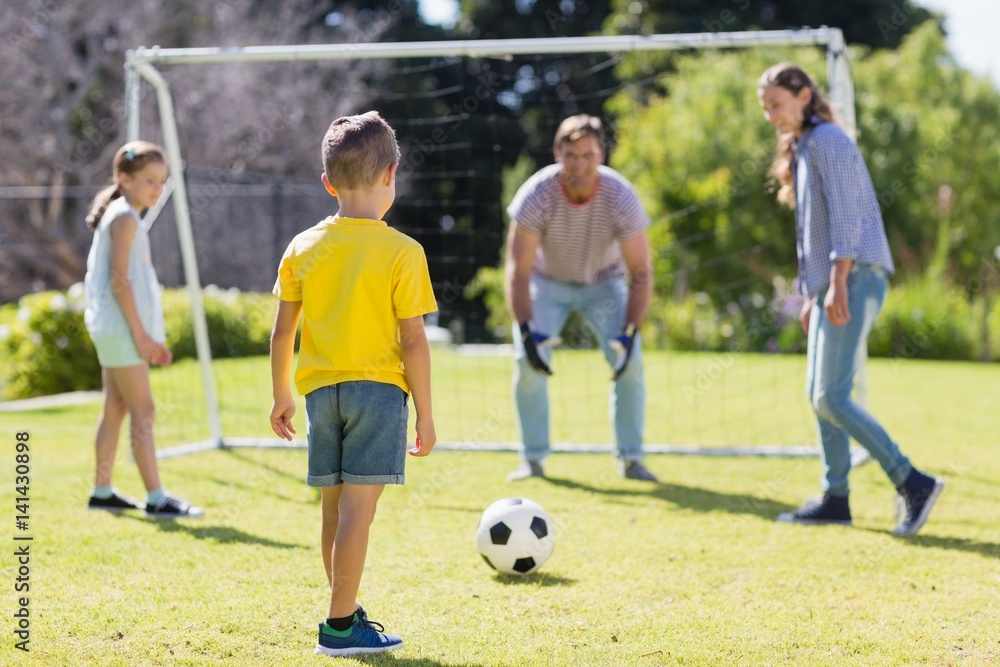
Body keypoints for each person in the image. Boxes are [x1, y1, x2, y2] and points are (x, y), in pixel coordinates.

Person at [269, 111, 437, 657]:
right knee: (358, 515)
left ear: (327, 182)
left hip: (321, 396)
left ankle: (345, 608)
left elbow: (282, 334)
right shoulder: (404, 252)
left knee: (333, 511)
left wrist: (281, 396)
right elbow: (413, 342)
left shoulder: (301, 246)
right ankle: (339, 627)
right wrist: (426, 414)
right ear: (392, 173)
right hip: (379, 394)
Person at [758, 63, 944, 535]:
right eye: (766, 108)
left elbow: (847, 219)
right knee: (818, 395)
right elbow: (811, 233)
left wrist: (838, 281)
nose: (771, 115)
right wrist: (812, 292)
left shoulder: (829, 141)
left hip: (855, 277)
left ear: (803, 95)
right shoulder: (804, 147)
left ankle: (914, 482)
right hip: (832, 284)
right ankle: (835, 498)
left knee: (832, 396)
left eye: (776, 104)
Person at [504, 114, 657, 483]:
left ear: (601, 155)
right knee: (527, 361)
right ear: (558, 154)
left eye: (588, 154)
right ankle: (533, 459)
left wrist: (631, 331)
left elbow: (642, 272)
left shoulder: (620, 196)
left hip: (604, 284)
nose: (579, 163)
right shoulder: (536, 194)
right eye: (571, 154)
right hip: (547, 281)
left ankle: (631, 459)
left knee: (630, 361)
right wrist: (527, 331)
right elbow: (517, 269)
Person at [83, 141, 203, 519]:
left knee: (116, 407)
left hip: (117, 331)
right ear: (124, 179)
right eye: (149, 180)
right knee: (143, 409)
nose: (157, 188)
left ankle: (102, 491)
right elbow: (120, 281)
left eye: (162, 181)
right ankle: (156, 498)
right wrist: (142, 336)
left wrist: (148, 335)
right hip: (121, 332)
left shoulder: (126, 215)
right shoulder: (124, 217)